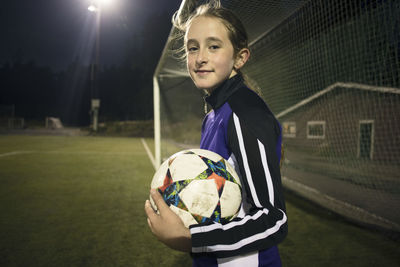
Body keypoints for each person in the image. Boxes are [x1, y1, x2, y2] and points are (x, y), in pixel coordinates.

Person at [145, 2, 288, 266]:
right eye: (192, 48)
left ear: (241, 57)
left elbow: (273, 220)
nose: (200, 58)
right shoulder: (213, 116)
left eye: (213, 46)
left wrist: (190, 237)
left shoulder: (245, 113)